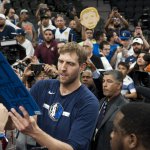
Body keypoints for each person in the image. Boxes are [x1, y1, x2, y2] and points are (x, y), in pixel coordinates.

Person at [9, 42, 100, 150]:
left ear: (82, 67)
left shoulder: (89, 102)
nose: (63, 68)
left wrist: (35, 132)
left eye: (70, 64)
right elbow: (13, 121)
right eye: (61, 61)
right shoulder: (42, 87)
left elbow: (72, 148)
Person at [93, 70, 127, 150]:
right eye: (103, 81)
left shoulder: (124, 107)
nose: (104, 85)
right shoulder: (102, 101)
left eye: (109, 81)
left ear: (119, 85)